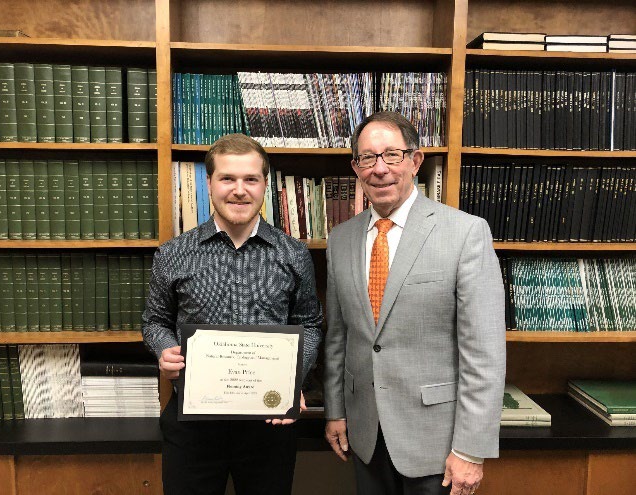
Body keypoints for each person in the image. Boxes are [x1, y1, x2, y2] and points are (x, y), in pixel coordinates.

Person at [323, 111, 505, 495]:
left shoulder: (466, 233)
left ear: (415, 161)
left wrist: (471, 448)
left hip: (436, 443)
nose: (380, 169)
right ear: (356, 167)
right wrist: (336, 411)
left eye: (392, 155)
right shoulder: (340, 239)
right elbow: (338, 337)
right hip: (365, 434)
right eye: (368, 158)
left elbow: (484, 352)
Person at [142, 133, 323, 495]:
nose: (239, 190)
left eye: (250, 179)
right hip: (192, 426)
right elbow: (155, 321)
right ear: (209, 183)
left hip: (269, 426)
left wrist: (293, 377)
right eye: (228, 178)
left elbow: (310, 325)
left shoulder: (294, 254)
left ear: (264, 186)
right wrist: (163, 349)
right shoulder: (173, 253)